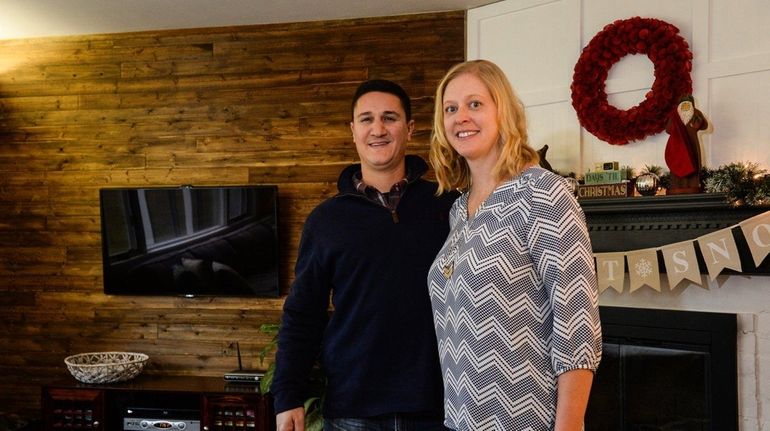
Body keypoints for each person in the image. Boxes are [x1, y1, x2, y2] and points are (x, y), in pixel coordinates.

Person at [271, 79, 457, 431]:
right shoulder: (326, 220)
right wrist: (287, 395)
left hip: (439, 407)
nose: (378, 129)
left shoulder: (448, 207)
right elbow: (303, 313)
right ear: (353, 130)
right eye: (367, 119)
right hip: (353, 409)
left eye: (390, 118)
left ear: (410, 128)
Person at [427, 59, 603, 431]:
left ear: (502, 111)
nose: (461, 117)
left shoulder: (541, 191)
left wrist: (570, 426)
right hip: (460, 421)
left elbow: (578, 324)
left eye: (475, 104)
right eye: (451, 109)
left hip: (526, 420)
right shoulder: (459, 209)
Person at [665, 94, 709, 194]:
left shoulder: (674, 114)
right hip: (689, 146)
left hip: (678, 147)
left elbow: (668, 129)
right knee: (692, 166)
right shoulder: (695, 113)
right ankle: (691, 185)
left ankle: (678, 186)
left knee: (679, 167)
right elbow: (704, 125)